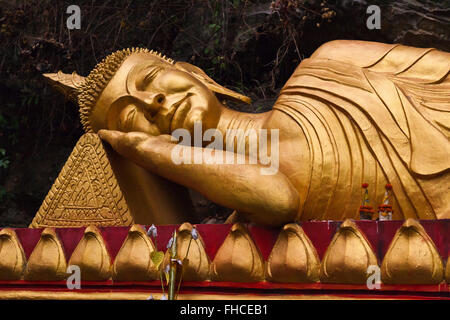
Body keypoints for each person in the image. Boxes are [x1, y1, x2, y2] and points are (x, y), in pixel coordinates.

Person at [46, 40, 450, 226]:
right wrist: (150, 151)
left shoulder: (330, 63)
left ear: (193, 72)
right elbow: (277, 198)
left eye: (151, 79)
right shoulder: (246, 227)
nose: (153, 103)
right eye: (129, 116)